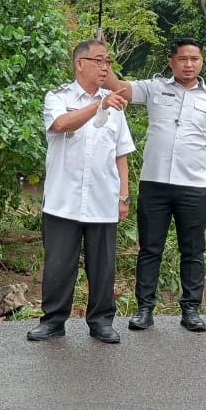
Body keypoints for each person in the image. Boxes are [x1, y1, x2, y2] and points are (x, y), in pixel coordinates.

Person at [115, 38, 206, 333]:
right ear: (171, 61)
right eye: (182, 59)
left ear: (201, 61)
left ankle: (191, 310)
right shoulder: (154, 88)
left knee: (192, 250)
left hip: (194, 186)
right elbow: (118, 88)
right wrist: (103, 60)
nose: (189, 64)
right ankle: (144, 309)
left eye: (194, 59)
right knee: (149, 248)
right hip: (154, 183)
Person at [26, 40, 135, 344]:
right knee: (59, 266)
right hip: (63, 200)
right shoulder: (58, 97)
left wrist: (124, 195)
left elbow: (121, 153)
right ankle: (53, 321)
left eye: (108, 61)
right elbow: (60, 124)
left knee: (103, 267)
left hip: (103, 198)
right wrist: (99, 106)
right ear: (80, 64)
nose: (105, 67)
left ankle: (101, 322)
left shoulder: (115, 105)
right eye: (99, 60)